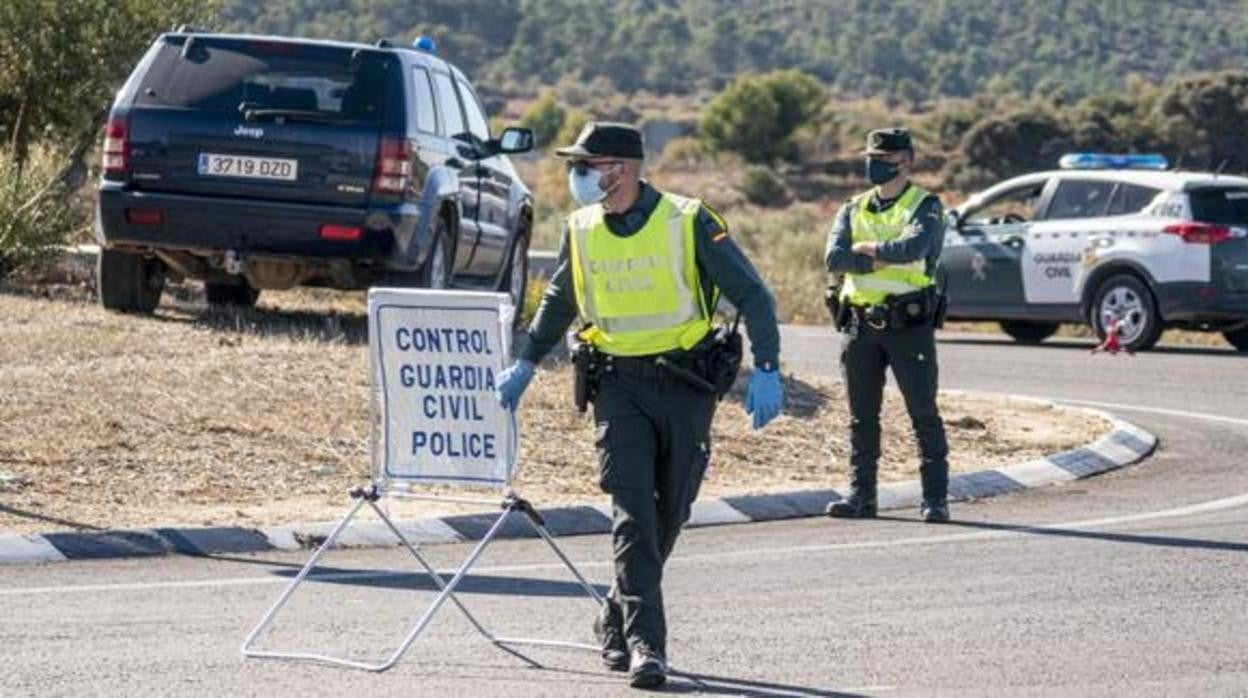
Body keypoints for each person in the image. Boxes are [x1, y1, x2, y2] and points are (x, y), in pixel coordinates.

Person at [495, 122, 784, 688]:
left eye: (587, 165)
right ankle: (647, 646)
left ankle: (614, 615)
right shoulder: (580, 228)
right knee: (632, 512)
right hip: (617, 387)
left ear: (621, 169)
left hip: (685, 384)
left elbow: (753, 293)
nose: (576, 175)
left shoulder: (688, 219)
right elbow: (560, 297)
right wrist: (527, 360)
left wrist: (768, 367)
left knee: (669, 511)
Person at [824, 127, 951, 523]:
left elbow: (913, 248)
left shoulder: (925, 206)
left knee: (922, 412)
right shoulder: (853, 207)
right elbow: (834, 257)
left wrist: (866, 250)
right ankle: (862, 497)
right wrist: (873, 257)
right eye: (870, 159)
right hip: (859, 327)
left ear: (906, 161)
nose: (873, 166)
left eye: (882, 160)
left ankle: (935, 499)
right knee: (861, 418)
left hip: (907, 325)